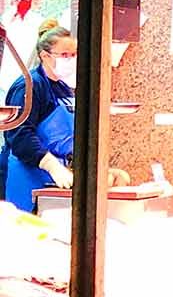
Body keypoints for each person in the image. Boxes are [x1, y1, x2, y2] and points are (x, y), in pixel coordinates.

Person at [2, 21, 127, 212]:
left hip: (58, 177)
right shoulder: (30, 86)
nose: (71, 60)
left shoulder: (64, 87)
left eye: (74, 55)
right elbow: (19, 134)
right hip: (27, 174)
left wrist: (94, 170)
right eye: (65, 55)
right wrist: (50, 164)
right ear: (45, 56)